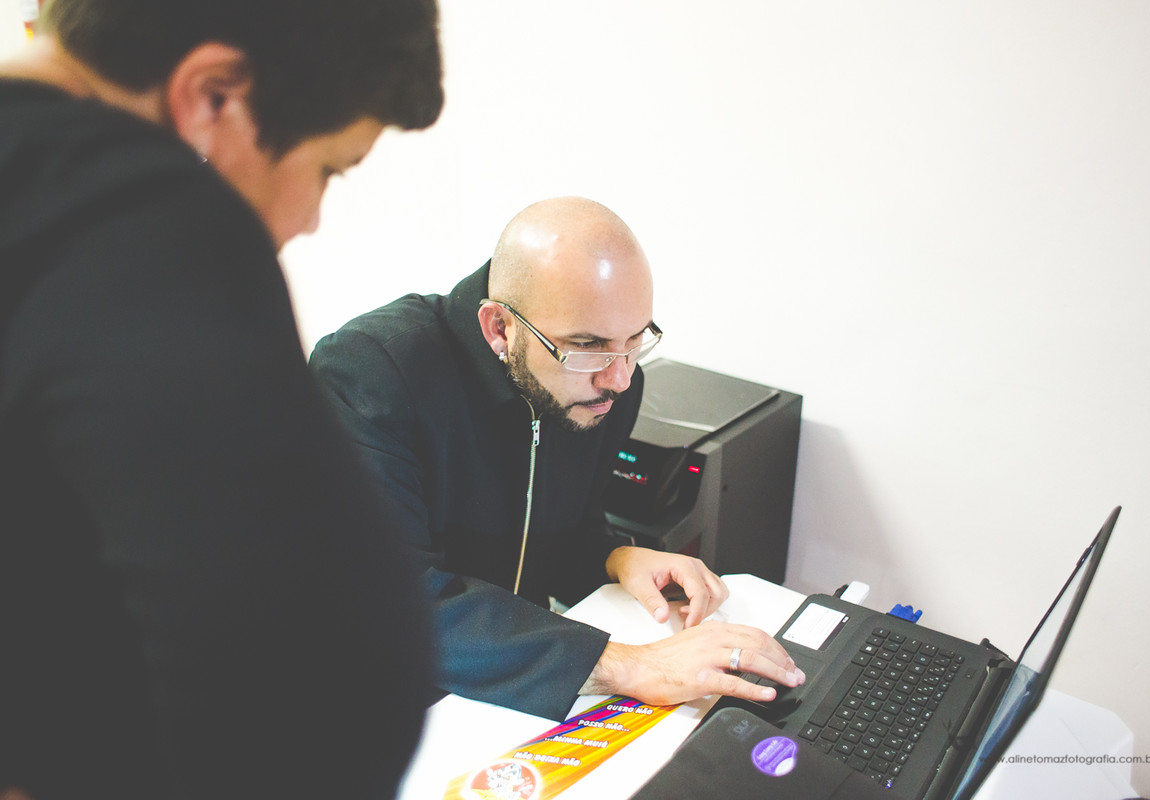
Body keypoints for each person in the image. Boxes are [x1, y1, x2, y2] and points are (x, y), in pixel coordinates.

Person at [0, 2, 442, 799]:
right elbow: (318, 693)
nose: (310, 219)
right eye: (328, 169)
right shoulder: (136, 219)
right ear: (214, 96)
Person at [309, 197, 805, 721]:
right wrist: (631, 665)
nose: (619, 378)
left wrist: (618, 558)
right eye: (587, 346)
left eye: (635, 341)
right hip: (376, 702)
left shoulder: (608, 385)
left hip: (511, 687)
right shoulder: (372, 371)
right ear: (499, 328)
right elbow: (391, 600)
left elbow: (552, 538)